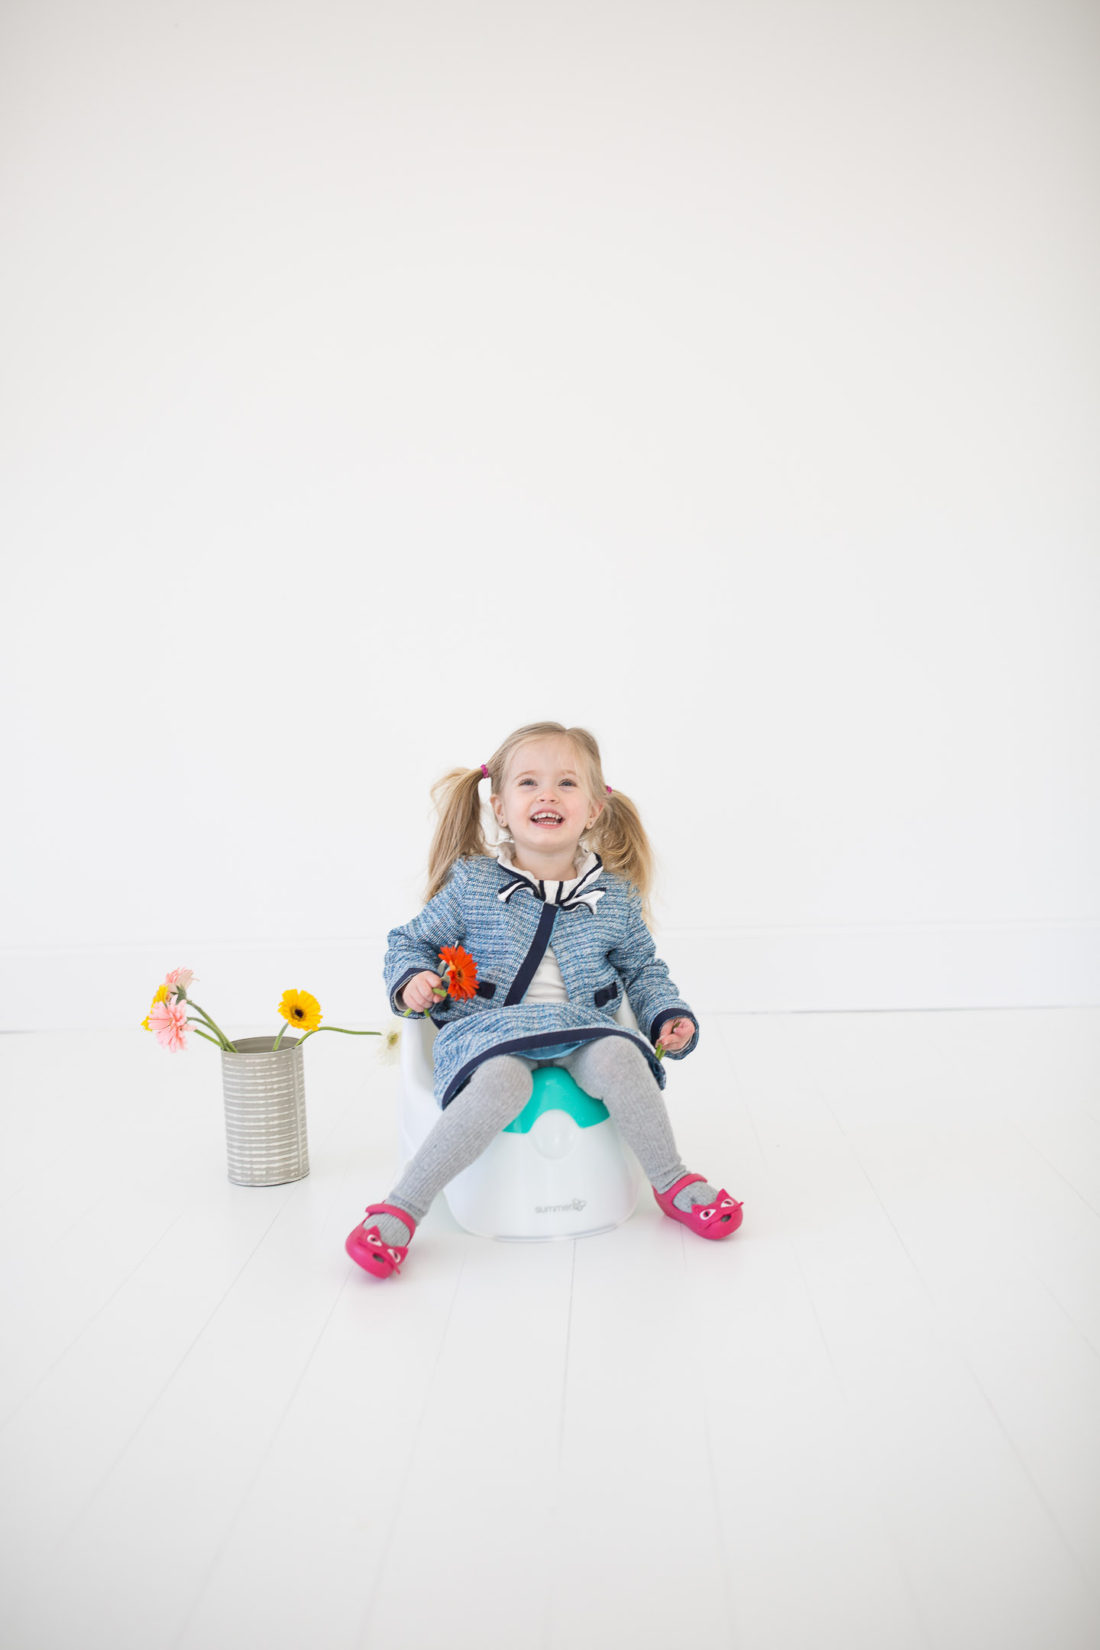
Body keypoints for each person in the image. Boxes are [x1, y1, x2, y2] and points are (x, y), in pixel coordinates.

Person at [345, 721, 743, 1278]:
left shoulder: (616, 897)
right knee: (503, 1082)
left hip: (584, 1027)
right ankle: (402, 1207)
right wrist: (412, 978)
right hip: (487, 1034)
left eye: (566, 784)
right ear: (501, 807)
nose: (547, 795)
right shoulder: (473, 884)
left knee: (623, 1058)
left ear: (596, 808)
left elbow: (644, 971)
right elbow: (407, 942)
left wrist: (667, 1014)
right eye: (529, 783)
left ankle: (672, 1180)